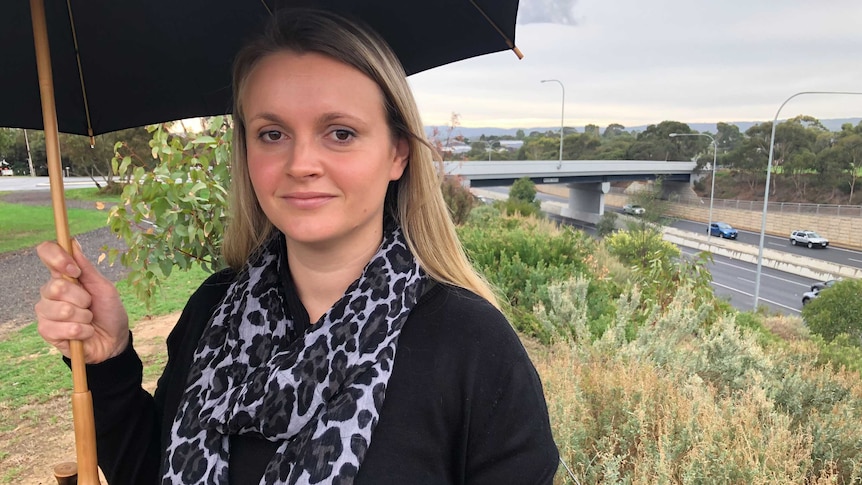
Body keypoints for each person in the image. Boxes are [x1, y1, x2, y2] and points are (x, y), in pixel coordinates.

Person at [35, 8, 558, 485]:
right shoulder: (213, 310)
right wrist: (108, 364)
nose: (301, 163)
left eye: (340, 133)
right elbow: (151, 473)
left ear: (397, 152)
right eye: (272, 134)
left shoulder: (472, 348)